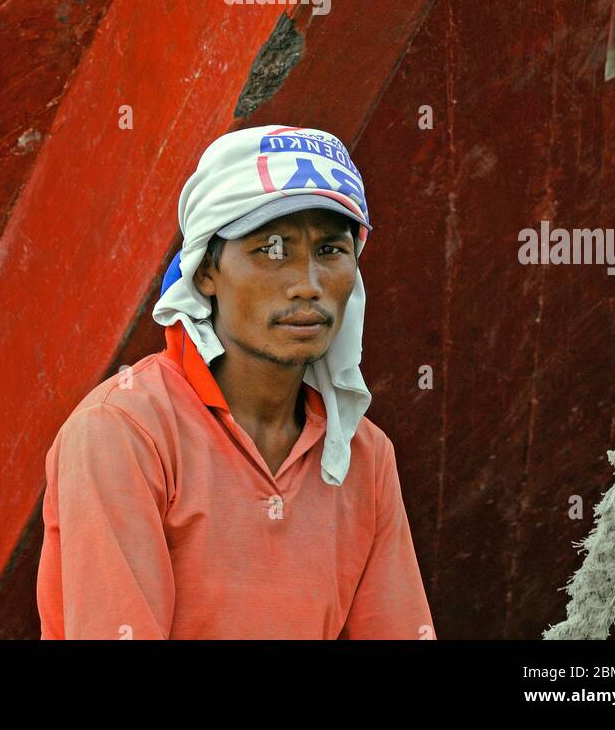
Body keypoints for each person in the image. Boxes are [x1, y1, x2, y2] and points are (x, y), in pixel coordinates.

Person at [36, 124, 436, 640]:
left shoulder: (364, 453)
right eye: (272, 250)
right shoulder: (124, 431)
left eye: (331, 251)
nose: (307, 285)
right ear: (205, 272)